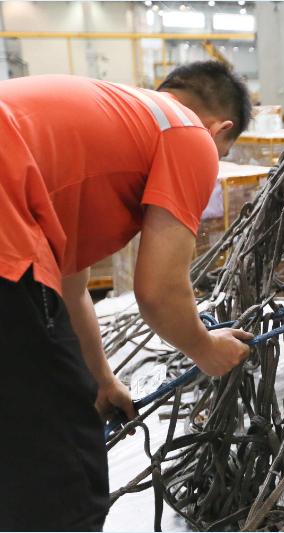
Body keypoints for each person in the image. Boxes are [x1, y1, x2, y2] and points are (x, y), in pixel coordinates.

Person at [0, 61, 254, 530]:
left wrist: (101, 379)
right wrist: (205, 348)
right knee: (63, 468)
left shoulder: (111, 119)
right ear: (222, 130)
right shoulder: (188, 132)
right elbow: (158, 291)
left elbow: (71, 290)